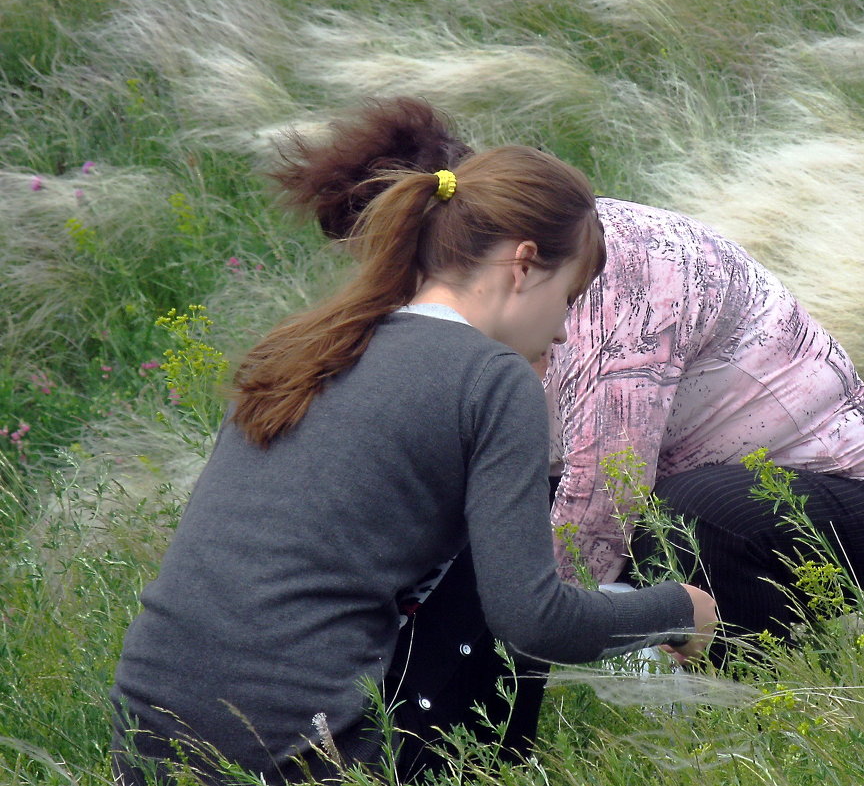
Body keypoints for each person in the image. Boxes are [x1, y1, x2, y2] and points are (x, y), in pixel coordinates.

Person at [110, 144, 718, 786]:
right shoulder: (491, 378)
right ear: (524, 264)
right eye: (570, 299)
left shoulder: (312, 344)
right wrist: (677, 609)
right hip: (292, 753)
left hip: (145, 736)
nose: (566, 332)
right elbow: (534, 620)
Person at [267, 97, 864, 661]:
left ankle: (768, 698)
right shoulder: (502, 280)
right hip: (686, 478)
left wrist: (494, 648)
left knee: (685, 522)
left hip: (863, 504)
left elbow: (602, 496)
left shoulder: (612, 273)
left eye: (391, 253)